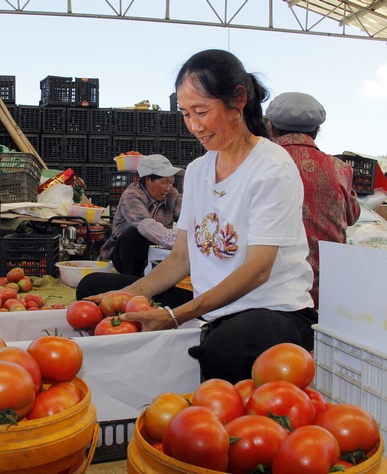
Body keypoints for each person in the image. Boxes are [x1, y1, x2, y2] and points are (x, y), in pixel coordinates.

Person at [77, 49, 317, 384]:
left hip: (270, 307)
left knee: (226, 348)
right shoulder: (198, 170)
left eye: (201, 112)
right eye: (186, 114)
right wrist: (130, 294)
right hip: (210, 303)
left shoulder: (271, 167)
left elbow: (259, 269)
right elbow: (181, 257)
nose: (194, 126)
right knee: (96, 287)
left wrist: (177, 315)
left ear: (238, 101)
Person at [266, 92, 361, 308]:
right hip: (326, 288)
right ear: (317, 131)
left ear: (270, 127)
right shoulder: (340, 168)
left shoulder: (258, 163)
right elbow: (352, 215)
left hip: (274, 290)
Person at [100, 154, 183, 276]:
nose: (168, 188)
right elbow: (146, 225)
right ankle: (132, 278)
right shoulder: (132, 196)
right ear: (148, 180)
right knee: (134, 234)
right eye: (164, 183)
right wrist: (176, 241)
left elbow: (186, 215)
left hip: (156, 253)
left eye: (171, 183)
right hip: (126, 255)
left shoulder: (172, 194)